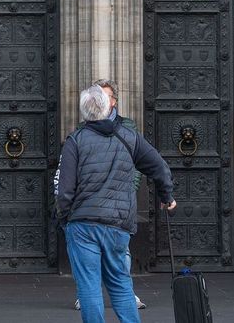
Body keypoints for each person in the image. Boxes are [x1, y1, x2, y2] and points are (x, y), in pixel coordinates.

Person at [55, 85, 176, 323]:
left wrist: (64, 218)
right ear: (108, 106)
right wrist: (167, 196)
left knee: (89, 286)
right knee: (121, 285)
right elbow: (159, 167)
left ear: (84, 112)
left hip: (83, 224)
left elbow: (65, 189)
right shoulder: (128, 137)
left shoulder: (75, 141)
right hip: (118, 224)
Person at [73, 80, 146, 312]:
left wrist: (129, 188)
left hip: (113, 206)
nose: (100, 100)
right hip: (94, 208)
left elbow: (140, 162)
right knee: (90, 272)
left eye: (104, 96)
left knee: (120, 261)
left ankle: (125, 294)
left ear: (113, 101)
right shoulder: (82, 133)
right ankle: (88, 296)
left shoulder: (127, 128)